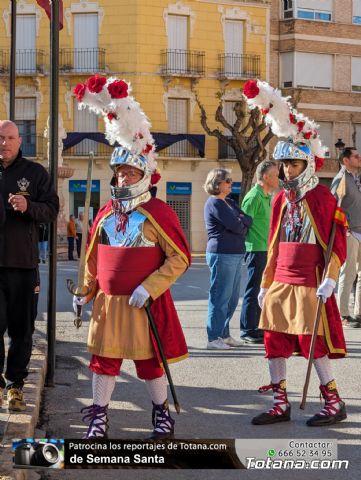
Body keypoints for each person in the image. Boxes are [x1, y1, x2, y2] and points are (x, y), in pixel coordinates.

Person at [72, 75, 191, 440]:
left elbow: (180, 257)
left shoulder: (159, 212)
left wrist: (151, 287)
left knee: (149, 362)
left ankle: (160, 415)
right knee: (103, 364)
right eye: (120, 172)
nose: (123, 178)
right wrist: (84, 293)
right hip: (108, 305)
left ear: (144, 175)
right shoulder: (106, 212)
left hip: (143, 303)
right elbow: (93, 260)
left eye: (130, 172)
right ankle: (99, 418)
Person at [253, 140, 347, 427]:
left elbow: (336, 244)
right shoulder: (280, 198)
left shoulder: (323, 197)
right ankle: (280, 402)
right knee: (273, 340)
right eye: (284, 165)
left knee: (312, 342)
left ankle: (334, 401)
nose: (288, 171)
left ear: (307, 165)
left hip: (310, 279)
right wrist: (265, 283)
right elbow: (273, 244)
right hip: (281, 277)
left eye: (294, 164)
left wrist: (331, 278)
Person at [0, 119, 59, 411]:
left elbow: (51, 209)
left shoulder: (35, 173)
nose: (5, 144)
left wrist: (28, 207)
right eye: (1, 138)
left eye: (10, 138)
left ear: (19, 141)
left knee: (22, 330)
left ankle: (15, 386)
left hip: (23, 266)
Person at [203, 168, 252, 350]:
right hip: (222, 254)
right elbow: (237, 226)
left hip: (235, 254)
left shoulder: (230, 202)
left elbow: (248, 220)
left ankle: (223, 334)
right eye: (228, 181)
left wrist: (240, 221)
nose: (231, 183)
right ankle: (213, 337)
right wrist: (239, 223)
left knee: (231, 299)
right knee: (220, 297)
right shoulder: (215, 203)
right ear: (217, 183)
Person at [239, 160, 279, 344]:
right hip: (255, 249)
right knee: (253, 289)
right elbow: (243, 226)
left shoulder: (267, 197)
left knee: (264, 289)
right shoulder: (254, 197)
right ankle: (248, 329)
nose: (278, 178)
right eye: (275, 175)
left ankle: (259, 326)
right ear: (265, 177)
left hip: (266, 249)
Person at [331, 147, 361, 328]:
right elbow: (334, 206)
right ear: (346, 161)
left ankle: (358, 312)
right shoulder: (340, 179)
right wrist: (344, 230)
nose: (360, 158)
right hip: (349, 232)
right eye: (356, 156)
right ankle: (343, 314)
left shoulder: (356, 179)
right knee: (348, 273)